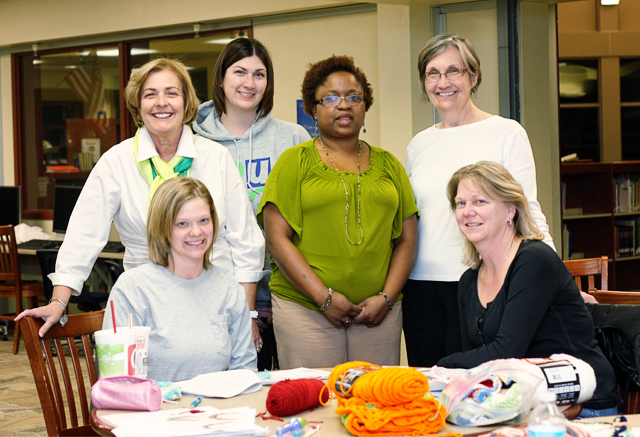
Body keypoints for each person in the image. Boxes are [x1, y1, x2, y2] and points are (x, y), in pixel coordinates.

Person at [16, 58, 265, 341]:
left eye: (171, 93)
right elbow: (82, 237)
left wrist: (247, 317)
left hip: (215, 298)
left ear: (186, 102)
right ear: (138, 104)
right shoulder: (116, 163)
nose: (162, 102)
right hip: (146, 303)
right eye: (150, 94)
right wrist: (58, 302)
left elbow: (245, 242)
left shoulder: (216, 158)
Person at [403, 33, 556, 367]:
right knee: (428, 386)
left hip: (480, 283)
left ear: (473, 77)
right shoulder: (418, 144)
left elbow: (528, 208)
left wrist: (554, 277)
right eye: (433, 73)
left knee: (477, 386)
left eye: (453, 71)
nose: (443, 82)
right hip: (420, 290)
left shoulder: (506, 132)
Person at [258, 55, 419, 369]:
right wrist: (324, 298)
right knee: (316, 403)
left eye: (354, 97)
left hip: (378, 315)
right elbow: (277, 240)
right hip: (305, 309)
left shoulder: (390, 165)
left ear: (365, 106)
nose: (344, 105)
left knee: (374, 403)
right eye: (330, 98)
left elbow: (407, 240)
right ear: (313, 109)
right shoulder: (294, 161)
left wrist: (386, 299)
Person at [437, 161, 617, 417]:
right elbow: (472, 359)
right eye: (460, 203)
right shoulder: (469, 280)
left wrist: (440, 367)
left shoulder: (534, 260)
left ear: (511, 210)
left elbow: (506, 351)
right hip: (518, 404)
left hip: (581, 404)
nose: (467, 211)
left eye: (480, 202)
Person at [192, 37, 310, 368]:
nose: (249, 83)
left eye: (259, 74)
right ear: (220, 78)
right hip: (218, 294)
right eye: (239, 72)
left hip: (287, 290)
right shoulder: (194, 143)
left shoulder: (293, 138)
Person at [103, 177, 257, 381]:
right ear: (163, 228)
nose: (196, 232)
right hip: (153, 409)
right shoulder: (132, 289)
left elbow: (245, 371)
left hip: (217, 410)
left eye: (204, 220)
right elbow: (117, 379)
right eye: (182, 223)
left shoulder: (230, 290)